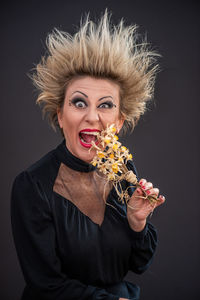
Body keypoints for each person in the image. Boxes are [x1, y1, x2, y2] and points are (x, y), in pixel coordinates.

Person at [11, 11, 165, 300]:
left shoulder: (121, 169)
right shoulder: (31, 186)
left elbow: (140, 264)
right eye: (79, 102)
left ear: (119, 121)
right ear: (60, 114)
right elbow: (45, 284)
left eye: (105, 106)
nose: (92, 116)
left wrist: (136, 222)